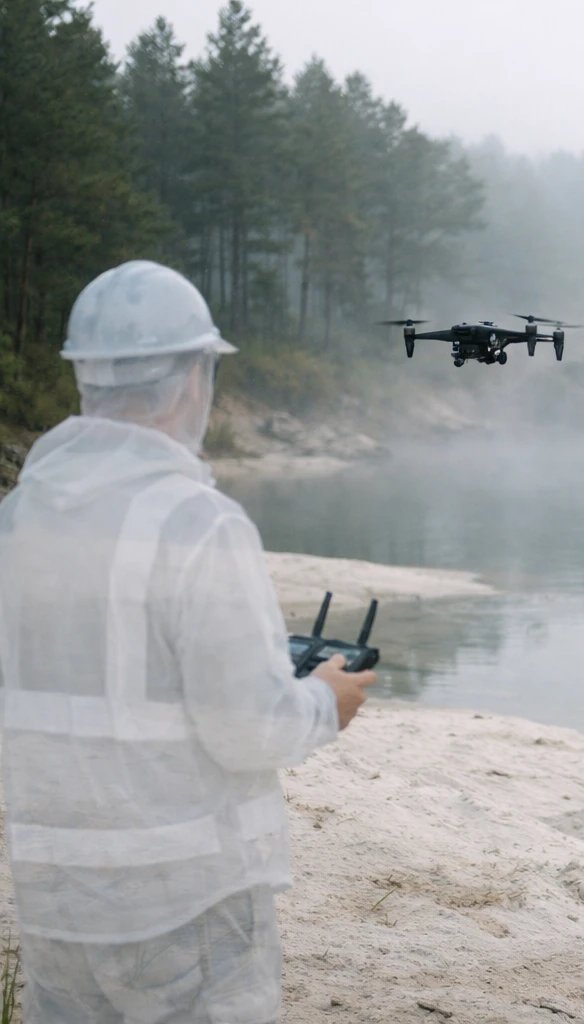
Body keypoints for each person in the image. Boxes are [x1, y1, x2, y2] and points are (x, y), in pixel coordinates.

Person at [0, 260, 377, 1023]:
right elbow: (249, 728)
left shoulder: (18, 519)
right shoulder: (198, 524)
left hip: (59, 897)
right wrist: (323, 702)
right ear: (189, 380)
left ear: (87, 379)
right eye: (205, 369)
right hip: (186, 898)